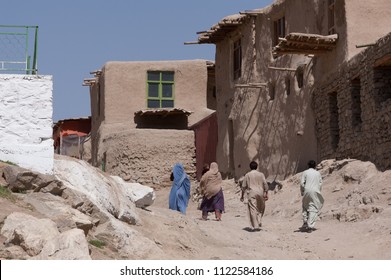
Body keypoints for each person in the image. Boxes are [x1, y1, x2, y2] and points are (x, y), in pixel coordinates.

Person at [240, 161, 269, 231]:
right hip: (260, 192)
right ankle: (259, 220)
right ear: (257, 166)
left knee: (253, 208)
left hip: (252, 192)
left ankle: (256, 225)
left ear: (250, 167)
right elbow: (265, 184)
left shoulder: (247, 175)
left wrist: (242, 196)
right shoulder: (261, 174)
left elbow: (243, 187)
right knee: (260, 207)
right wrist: (266, 193)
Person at [300, 160, 324, 233]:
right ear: (315, 166)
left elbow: (302, 183)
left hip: (306, 191)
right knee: (313, 208)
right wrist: (318, 191)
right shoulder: (318, 173)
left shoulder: (305, 172)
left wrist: (302, 191)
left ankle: (305, 221)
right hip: (315, 191)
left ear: (308, 165)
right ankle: (310, 226)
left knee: (305, 205)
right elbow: (320, 183)